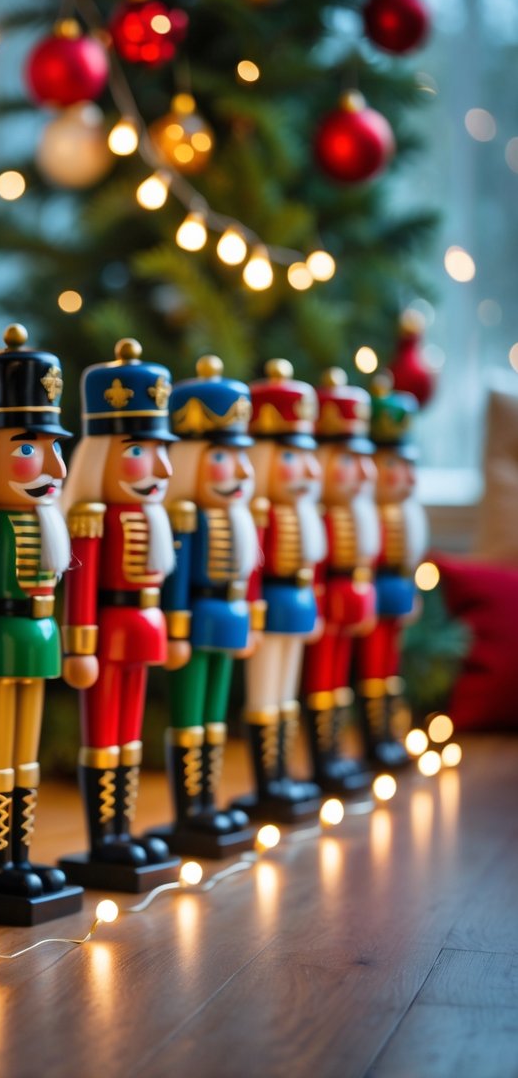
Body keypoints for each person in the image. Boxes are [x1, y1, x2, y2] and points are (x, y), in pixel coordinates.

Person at [0, 324, 84, 925]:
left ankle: (21, 855)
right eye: (30, 448)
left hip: (39, 637)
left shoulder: (46, 522)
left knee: (24, 754)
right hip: (0, 640)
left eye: (54, 447)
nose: (54, 464)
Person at [59, 338, 184, 891]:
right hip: (106, 632)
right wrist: (79, 644)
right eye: (138, 451)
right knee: (103, 730)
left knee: (129, 730)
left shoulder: (154, 516)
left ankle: (123, 828)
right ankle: (103, 836)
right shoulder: (90, 515)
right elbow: (81, 588)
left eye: (161, 450)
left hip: (144, 626)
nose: (158, 466)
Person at [145, 355, 262, 856]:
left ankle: (208, 800)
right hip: (193, 624)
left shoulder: (239, 518)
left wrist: (251, 618)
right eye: (219, 457)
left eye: (239, 456)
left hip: (228, 618)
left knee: (216, 714)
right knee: (190, 714)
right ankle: (189, 806)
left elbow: (247, 572)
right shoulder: (186, 518)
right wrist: (175, 631)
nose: (236, 470)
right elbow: (175, 582)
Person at [231, 359, 327, 822]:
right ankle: (267, 778)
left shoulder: (306, 512)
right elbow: (251, 568)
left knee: (287, 689)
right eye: (290, 456)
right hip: (269, 607)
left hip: (299, 603)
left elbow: (316, 562)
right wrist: (252, 612)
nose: (307, 469)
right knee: (265, 690)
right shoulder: (261, 512)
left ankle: (284, 772)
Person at [301, 369, 378, 795]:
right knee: (321, 675)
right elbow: (314, 565)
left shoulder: (357, 514)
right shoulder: (321, 516)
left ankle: (336, 753)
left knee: (341, 674)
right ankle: (321, 757)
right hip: (324, 599)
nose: (363, 473)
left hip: (349, 598)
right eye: (348, 461)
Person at [354, 376, 428, 767]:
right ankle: (371, 740)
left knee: (389, 666)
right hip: (371, 594)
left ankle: (387, 734)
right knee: (369, 665)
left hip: (396, 591)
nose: (405, 477)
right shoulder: (363, 515)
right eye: (393, 465)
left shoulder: (406, 514)